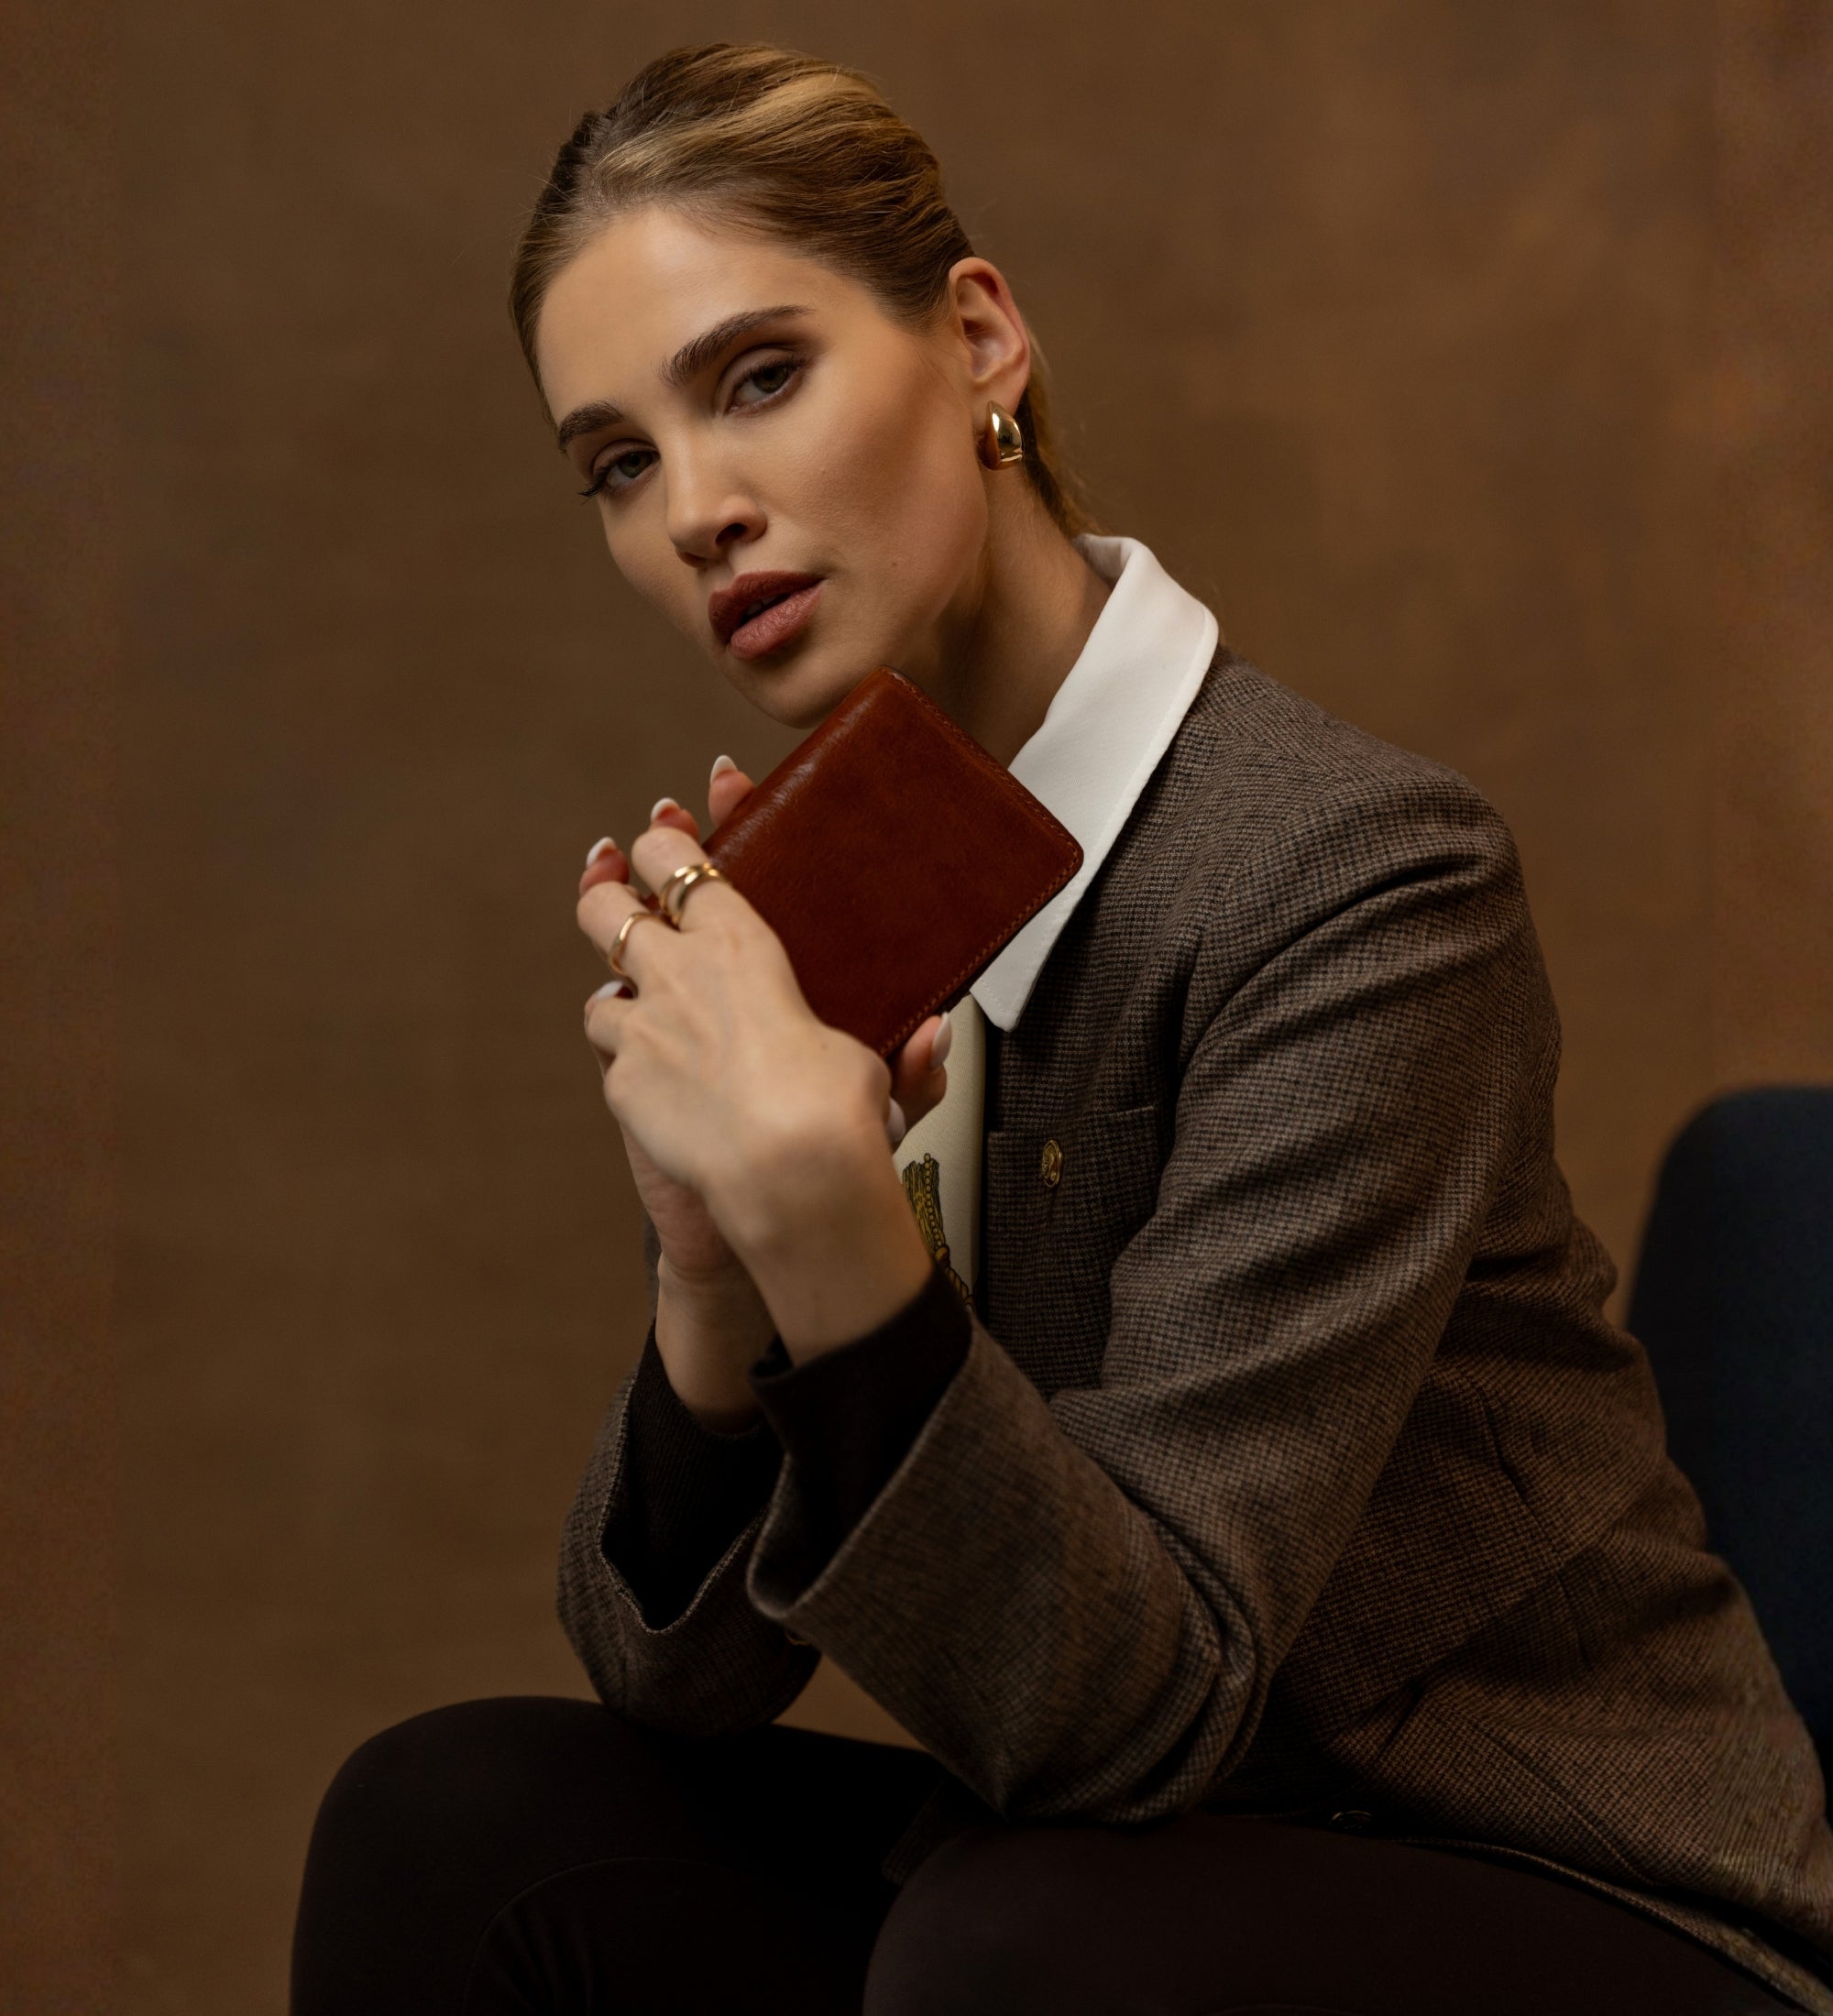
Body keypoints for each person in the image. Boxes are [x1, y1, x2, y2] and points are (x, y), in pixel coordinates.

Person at [290, 41, 1833, 2016]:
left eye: (756, 378)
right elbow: (672, 1673)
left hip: (1568, 1891)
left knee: (1011, 1937)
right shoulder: (848, 876)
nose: (696, 510)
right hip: (1107, 1872)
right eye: (619, 464)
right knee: (446, 1820)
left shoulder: (1359, 877)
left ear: (978, 340)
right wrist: (713, 1276)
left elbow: (1134, 1708)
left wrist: (827, 1215)